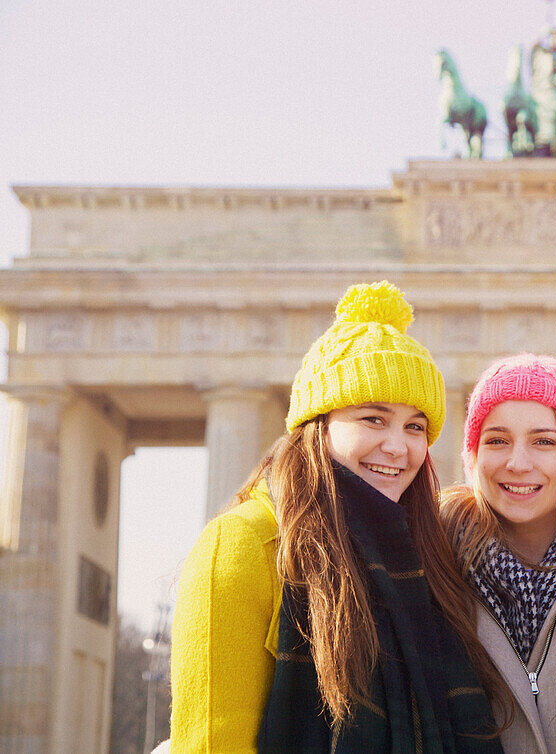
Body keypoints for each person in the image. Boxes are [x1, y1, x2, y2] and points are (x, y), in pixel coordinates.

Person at [170, 281, 503, 753]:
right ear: (319, 425)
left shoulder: (422, 560)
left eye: (415, 427)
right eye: (373, 418)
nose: (398, 446)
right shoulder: (245, 544)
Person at [439, 354, 556, 753]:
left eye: (544, 442)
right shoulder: (431, 563)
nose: (518, 463)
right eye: (497, 440)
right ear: (474, 456)